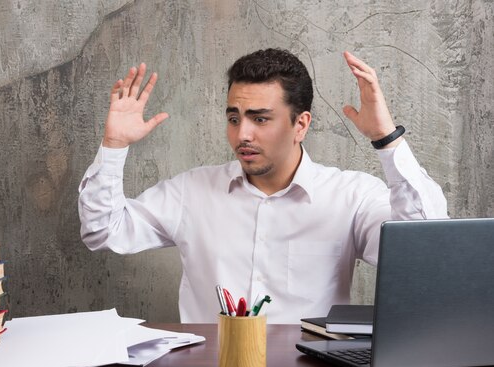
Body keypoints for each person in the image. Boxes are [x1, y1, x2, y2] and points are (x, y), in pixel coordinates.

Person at [78, 48, 447, 324]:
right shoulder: (191, 192)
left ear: (300, 125)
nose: (243, 134)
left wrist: (387, 139)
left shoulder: (350, 197)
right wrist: (114, 146)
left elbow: (426, 252)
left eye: (260, 119)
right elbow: (102, 230)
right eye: (234, 118)